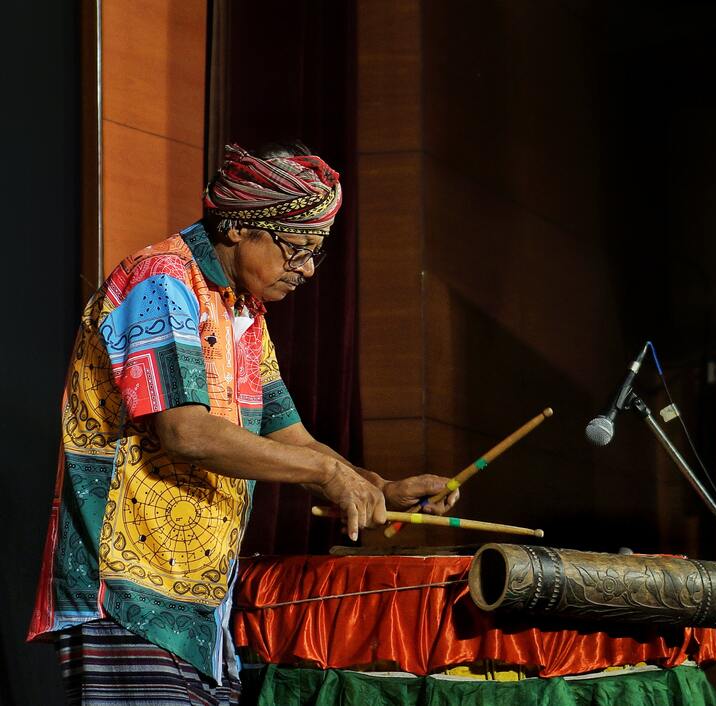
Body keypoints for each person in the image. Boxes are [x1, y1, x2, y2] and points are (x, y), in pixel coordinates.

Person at [28, 141, 459, 705]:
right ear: (237, 227)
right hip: (125, 594)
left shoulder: (244, 314)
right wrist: (330, 477)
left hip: (201, 606)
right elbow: (187, 432)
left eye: (317, 253)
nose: (306, 269)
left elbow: (292, 438)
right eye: (296, 249)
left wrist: (377, 488)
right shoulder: (159, 282)